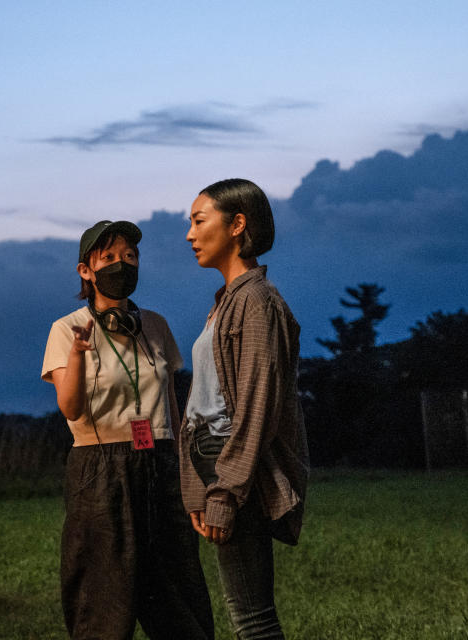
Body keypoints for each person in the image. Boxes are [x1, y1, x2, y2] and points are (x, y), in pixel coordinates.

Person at [42, 220, 214, 640]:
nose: (122, 264)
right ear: (86, 270)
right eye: (110, 258)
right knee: (102, 598)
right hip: (100, 468)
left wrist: (184, 467)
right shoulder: (67, 329)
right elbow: (70, 407)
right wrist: (79, 355)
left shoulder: (154, 325)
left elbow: (171, 403)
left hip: (159, 461)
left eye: (130, 256)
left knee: (179, 592)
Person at [180, 179, 309, 639]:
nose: (190, 235)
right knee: (244, 611)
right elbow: (202, 404)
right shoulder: (225, 303)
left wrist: (226, 492)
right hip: (218, 465)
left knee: (252, 617)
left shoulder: (256, 302)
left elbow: (256, 408)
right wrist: (201, 488)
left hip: (239, 470)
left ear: (237, 225)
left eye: (199, 221)